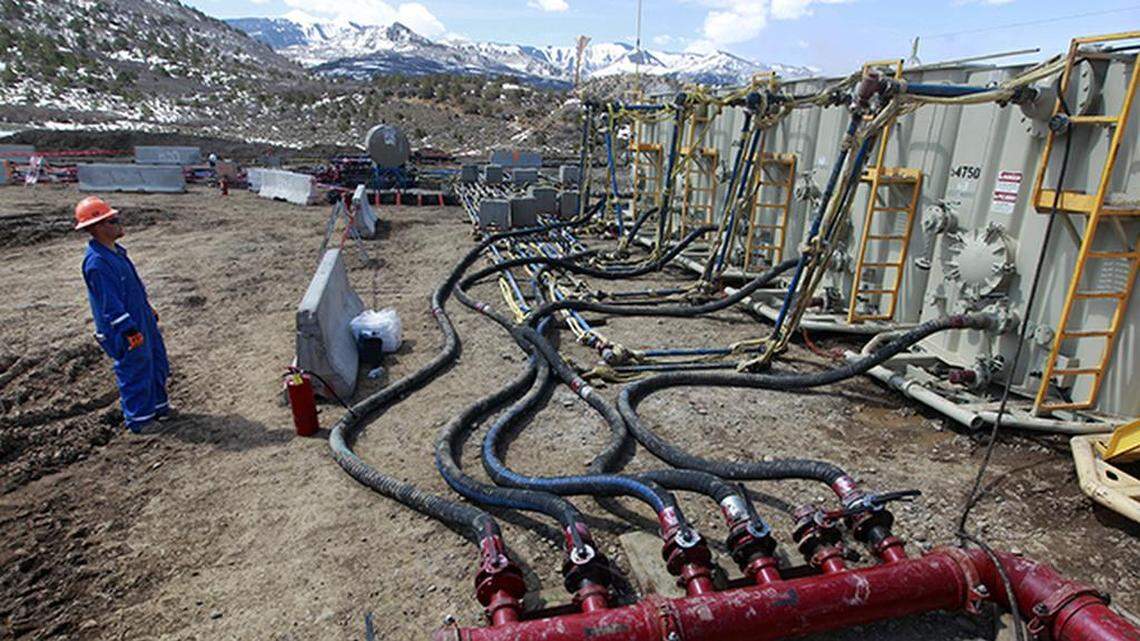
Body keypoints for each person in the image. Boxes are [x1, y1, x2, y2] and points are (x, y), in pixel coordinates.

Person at [76, 196, 171, 433]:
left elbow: (132, 287)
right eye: (113, 220)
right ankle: (140, 420)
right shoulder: (97, 263)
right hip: (123, 328)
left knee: (156, 361)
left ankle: (159, 407)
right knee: (135, 369)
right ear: (98, 228)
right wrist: (128, 329)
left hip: (141, 318)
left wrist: (147, 309)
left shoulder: (117, 252)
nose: (119, 224)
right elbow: (110, 304)